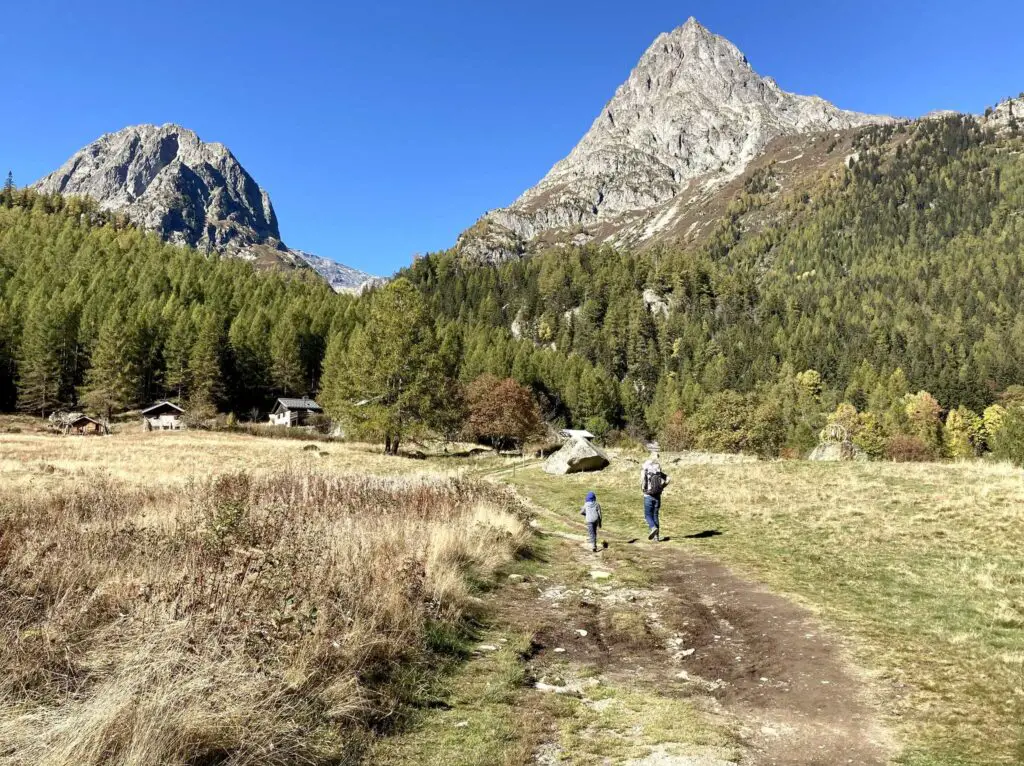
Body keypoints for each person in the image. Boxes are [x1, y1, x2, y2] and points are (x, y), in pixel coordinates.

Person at [640, 452, 669, 541]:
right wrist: (662, 487)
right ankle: (656, 537)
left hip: (648, 495)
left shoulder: (645, 468)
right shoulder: (658, 468)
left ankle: (653, 528)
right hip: (657, 495)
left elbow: (642, 481)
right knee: (655, 515)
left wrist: (643, 490)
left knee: (648, 515)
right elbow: (668, 479)